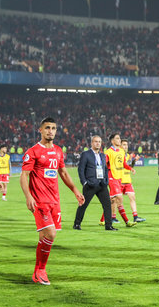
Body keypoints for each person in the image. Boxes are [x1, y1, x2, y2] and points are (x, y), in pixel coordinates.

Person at [20, 117, 85, 285]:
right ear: (40, 130)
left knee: (44, 237)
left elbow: (63, 173)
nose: (51, 131)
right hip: (40, 201)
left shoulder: (58, 151)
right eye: (47, 128)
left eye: (54, 128)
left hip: (54, 201)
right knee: (50, 234)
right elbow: (24, 175)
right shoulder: (33, 151)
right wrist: (28, 196)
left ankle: (37, 272)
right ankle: (41, 270)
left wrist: (75, 190)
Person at [73, 136, 116, 231]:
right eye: (96, 141)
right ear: (92, 143)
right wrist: (84, 182)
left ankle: (108, 226)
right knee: (83, 204)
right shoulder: (85, 154)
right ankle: (77, 224)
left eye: (99, 142)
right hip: (90, 185)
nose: (98, 143)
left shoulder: (102, 155)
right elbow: (81, 169)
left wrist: (106, 181)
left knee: (107, 205)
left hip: (102, 184)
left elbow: (105, 169)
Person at [103, 133, 137, 227]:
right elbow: (104, 164)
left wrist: (131, 168)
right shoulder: (108, 152)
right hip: (111, 177)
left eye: (119, 138)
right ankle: (127, 221)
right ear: (112, 141)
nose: (119, 140)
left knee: (112, 200)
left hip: (118, 178)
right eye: (117, 138)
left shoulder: (121, 152)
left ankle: (102, 219)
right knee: (119, 198)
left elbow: (124, 164)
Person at [121, 139, 145, 223]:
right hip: (119, 180)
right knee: (114, 201)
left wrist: (134, 160)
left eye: (126, 145)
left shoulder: (127, 155)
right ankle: (110, 218)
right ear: (120, 146)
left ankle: (135, 217)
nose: (126, 146)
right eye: (124, 144)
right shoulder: (118, 155)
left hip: (127, 180)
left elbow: (129, 167)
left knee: (132, 197)